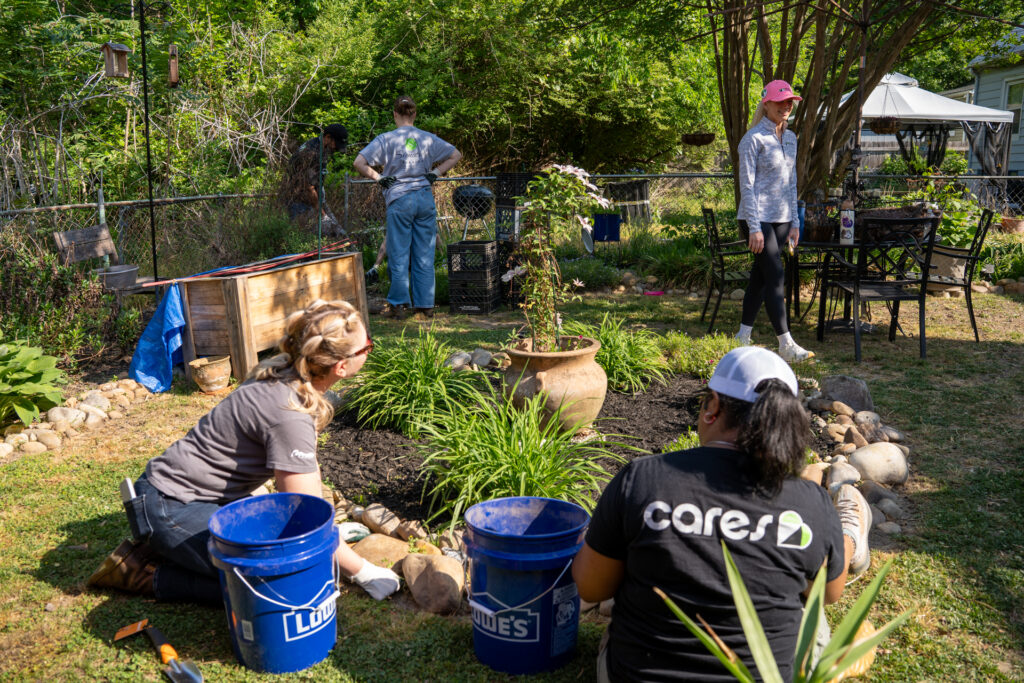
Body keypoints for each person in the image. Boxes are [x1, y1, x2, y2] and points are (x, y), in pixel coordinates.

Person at [573, 346, 872, 682]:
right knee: (811, 607)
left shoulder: (643, 479)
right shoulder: (809, 502)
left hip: (634, 673)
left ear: (712, 406)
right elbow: (831, 594)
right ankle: (848, 536)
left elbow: (590, 587)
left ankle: (844, 537)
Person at [88, 300, 401, 604]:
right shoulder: (290, 413)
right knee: (281, 585)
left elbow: (305, 500)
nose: (369, 350)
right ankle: (144, 572)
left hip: (187, 497)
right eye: (367, 347)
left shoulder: (281, 371)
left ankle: (177, 546)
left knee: (289, 557)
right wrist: (364, 572)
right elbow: (305, 515)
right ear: (342, 367)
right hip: (170, 505)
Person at [354, 95, 461, 320]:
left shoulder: (386, 139)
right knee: (424, 254)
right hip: (424, 198)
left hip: (399, 199)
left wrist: (379, 178)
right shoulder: (428, 138)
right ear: (414, 114)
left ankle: (399, 305)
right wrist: (435, 173)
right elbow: (455, 155)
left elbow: (359, 163)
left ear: (395, 114)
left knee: (399, 253)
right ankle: (425, 306)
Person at [735, 80, 814, 362]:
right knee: (776, 275)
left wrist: (795, 222)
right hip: (756, 219)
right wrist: (754, 228)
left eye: (790, 101)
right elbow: (747, 187)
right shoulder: (753, 139)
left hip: (782, 221)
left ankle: (742, 336)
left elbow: (791, 183)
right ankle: (786, 343)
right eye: (781, 101)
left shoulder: (791, 139)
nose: (786, 105)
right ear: (766, 103)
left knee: (760, 278)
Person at [284, 123, 348, 235]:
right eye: (335, 145)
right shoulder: (312, 152)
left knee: (333, 230)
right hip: (299, 201)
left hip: (311, 198)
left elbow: (316, 181)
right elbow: (308, 187)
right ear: (328, 137)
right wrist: (322, 214)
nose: (335, 149)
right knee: (305, 236)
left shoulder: (320, 147)